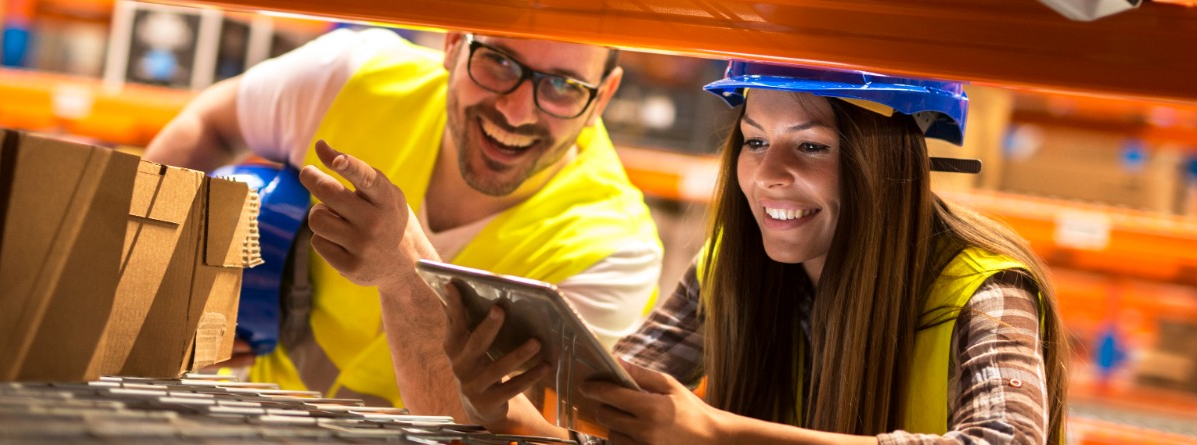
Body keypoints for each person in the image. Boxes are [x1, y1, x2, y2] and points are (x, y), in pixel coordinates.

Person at [443, 60, 1069, 445]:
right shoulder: (728, 267)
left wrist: (720, 436)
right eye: (753, 140)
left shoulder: (983, 293)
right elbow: (624, 406)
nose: (767, 175)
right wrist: (507, 410)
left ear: (887, 163)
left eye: (812, 147)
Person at [142, 28, 664, 415]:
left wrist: (402, 271)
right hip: (244, 416)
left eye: (563, 86)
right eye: (500, 63)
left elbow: (505, 431)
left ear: (605, 96)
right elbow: (206, 122)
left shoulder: (613, 250)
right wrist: (151, 290)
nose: (520, 110)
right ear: (455, 44)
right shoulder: (351, 77)